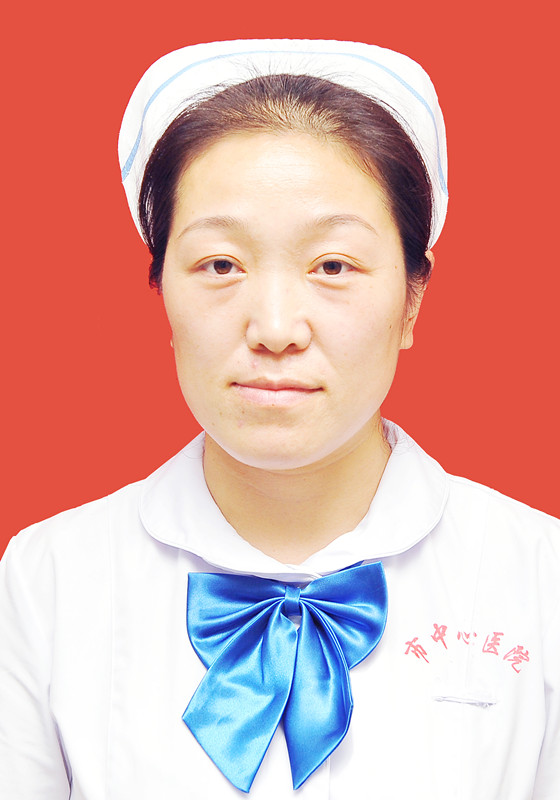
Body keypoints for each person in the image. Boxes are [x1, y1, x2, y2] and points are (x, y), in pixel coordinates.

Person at [0, 39, 558, 800]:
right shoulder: (46, 579)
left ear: (412, 301)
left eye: (333, 266)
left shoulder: (541, 577)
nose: (273, 328)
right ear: (161, 293)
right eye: (220, 265)